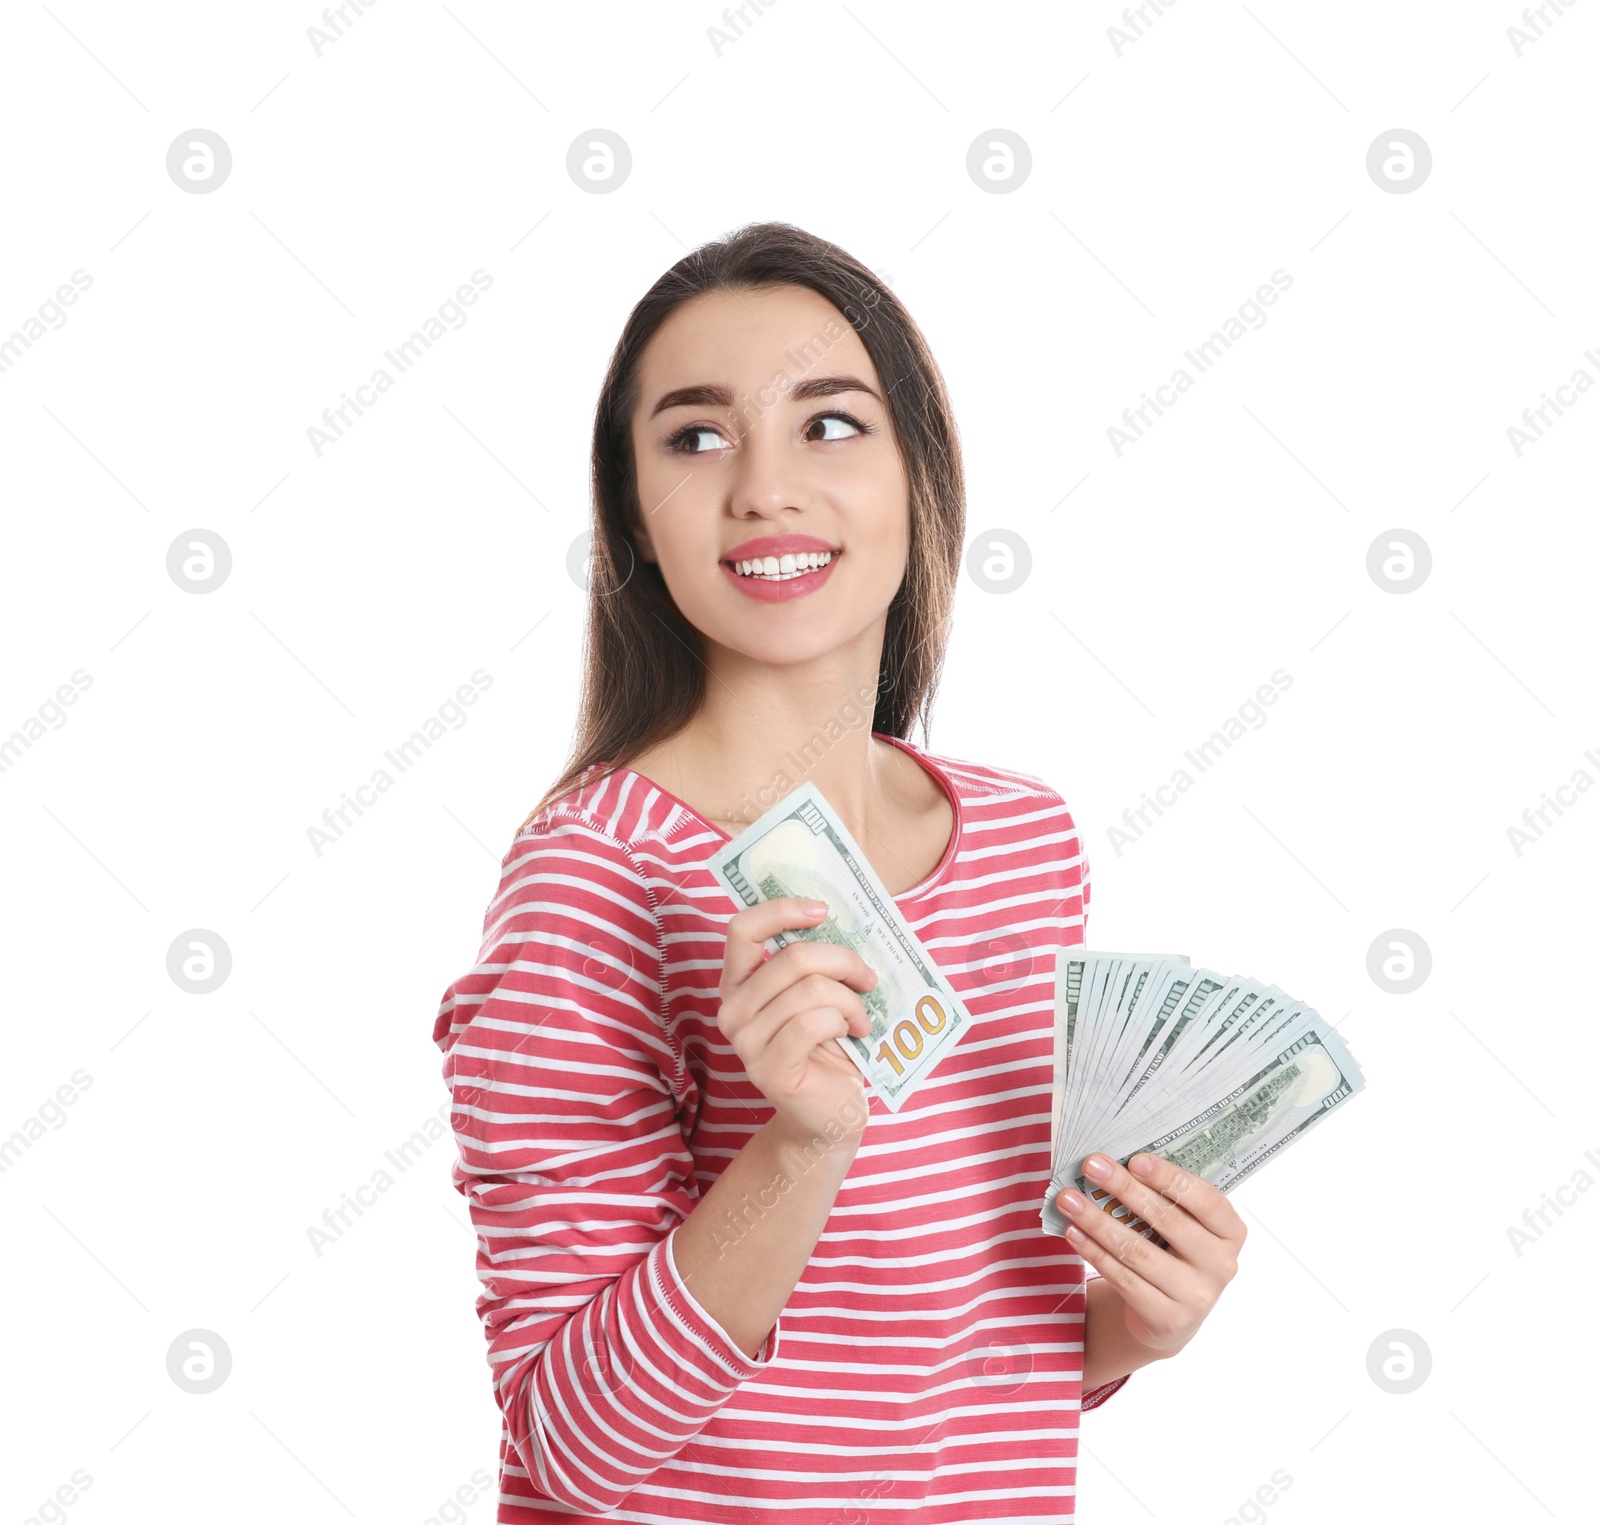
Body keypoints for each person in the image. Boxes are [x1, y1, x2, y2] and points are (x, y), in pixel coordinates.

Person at [432, 221, 1247, 1523]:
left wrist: (1128, 1327)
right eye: (697, 438)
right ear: (632, 517)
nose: (765, 488)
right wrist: (800, 1146)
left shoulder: (1029, 845)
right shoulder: (594, 882)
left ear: (921, 477)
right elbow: (570, 1449)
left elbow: (949, 1354)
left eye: (829, 424)